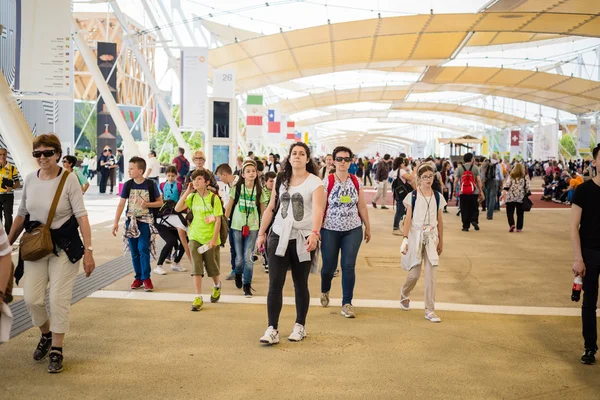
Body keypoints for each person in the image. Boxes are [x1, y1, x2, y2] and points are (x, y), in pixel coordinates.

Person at [8, 133, 95, 373]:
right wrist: (7, 245)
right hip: (37, 247)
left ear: (57, 153)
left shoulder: (68, 180)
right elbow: (22, 214)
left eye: (48, 153)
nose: (42, 158)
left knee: (58, 299)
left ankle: (57, 349)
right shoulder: (30, 179)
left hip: (65, 249)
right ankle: (45, 334)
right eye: (38, 154)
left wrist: (89, 250)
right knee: (32, 300)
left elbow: (82, 215)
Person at [256, 142, 324, 345]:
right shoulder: (281, 179)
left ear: (307, 158)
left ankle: (299, 325)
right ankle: (272, 329)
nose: (297, 156)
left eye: (302, 154)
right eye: (294, 153)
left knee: (300, 283)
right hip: (278, 234)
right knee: (275, 284)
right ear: (289, 157)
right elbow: (271, 207)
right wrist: (261, 233)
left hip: (303, 237)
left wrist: (315, 233)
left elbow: (319, 210)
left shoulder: (315, 182)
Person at [320, 146, 371, 318]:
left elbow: (362, 205)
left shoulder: (356, 181)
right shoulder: (327, 182)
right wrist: (315, 230)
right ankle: (325, 289)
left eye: (346, 159)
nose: (343, 162)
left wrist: (367, 226)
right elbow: (320, 207)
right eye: (339, 159)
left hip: (353, 229)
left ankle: (347, 303)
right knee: (329, 266)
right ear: (333, 161)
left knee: (348, 266)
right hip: (329, 229)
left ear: (351, 161)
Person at [400, 163, 446, 323]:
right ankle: (404, 293)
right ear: (419, 179)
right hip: (415, 236)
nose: (428, 179)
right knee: (414, 274)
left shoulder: (438, 197)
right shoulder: (412, 196)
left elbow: (440, 220)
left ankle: (430, 310)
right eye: (425, 177)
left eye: (431, 176)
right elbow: (407, 220)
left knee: (431, 275)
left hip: (431, 238)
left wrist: (441, 240)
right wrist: (405, 239)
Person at [112, 156, 164, 292]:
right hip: (131, 221)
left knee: (143, 249)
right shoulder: (128, 185)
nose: (128, 171)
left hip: (145, 221)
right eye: (128, 168)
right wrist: (116, 222)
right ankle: (138, 278)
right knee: (134, 251)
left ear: (140, 171)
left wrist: (148, 204)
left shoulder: (150, 184)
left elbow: (160, 202)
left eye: (131, 168)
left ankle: (146, 278)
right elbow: (121, 204)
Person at [175, 169, 223, 311]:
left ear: (207, 182)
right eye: (194, 179)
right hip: (195, 236)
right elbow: (178, 208)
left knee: (212, 269)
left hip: (210, 239)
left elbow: (218, 221)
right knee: (196, 267)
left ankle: (216, 285)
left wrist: (214, 239)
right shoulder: (192, 197)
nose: (195, 181)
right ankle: (198, 297)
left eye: (199, 179)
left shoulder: (214, 199)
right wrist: (187, 192)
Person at [571, 144, 600, 365]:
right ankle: (589, 347)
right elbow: (574, 227)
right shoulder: (583, 190)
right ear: (595, 162)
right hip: (590, 253)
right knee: (589, 301)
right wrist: (578, 258)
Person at [225, 160, 269, 297]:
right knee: (239, 259)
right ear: (243, 174)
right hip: (237, 226)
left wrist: (263, 229)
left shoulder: (260, 190)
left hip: (253, 227)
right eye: (248, 171)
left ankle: (247, 285)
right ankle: (238, 273)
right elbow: (229, 206)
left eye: (253, 171)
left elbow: (263, 211)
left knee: (248, 257)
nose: (251, 173)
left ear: (256, 174)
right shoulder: (237, 188)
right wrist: (223, 222)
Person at [153, 166, 189, 275]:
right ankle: (159, 265)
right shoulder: (162, 185)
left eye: (172, 176)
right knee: (172, 241)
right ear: (165, 175)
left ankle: (176, 262)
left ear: (176, 175)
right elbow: (159, 198)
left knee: (185, 240)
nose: (170, 177)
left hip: (174, 212)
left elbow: (182, 199)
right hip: (163, 215)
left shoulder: (179, 185)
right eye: (168, 175)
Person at [215, 163, 241, 281]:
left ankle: (243, 271)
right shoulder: (226, 186)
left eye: (220, 177)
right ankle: (235, 269)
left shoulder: (241, 182)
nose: (220, 179)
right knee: (233, 247)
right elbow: (226, 202)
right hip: (231, 219)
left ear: (225, 174)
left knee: (243, 248)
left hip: (243, 219)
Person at [454, 153, 484, 232]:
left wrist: (454, 190)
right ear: (471, 159)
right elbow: (478, 180)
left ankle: (465, 226)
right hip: (474, 192)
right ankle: (474, 220)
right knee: (474, 207)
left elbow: (456, 180)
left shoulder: (460, 168)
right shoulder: (476, 168)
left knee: (464, 209)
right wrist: (480, 190)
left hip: (463, 192)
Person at [500, 163, 530, 233]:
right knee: (520, 213)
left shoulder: (511, 176)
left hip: (511, 196)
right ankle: (519, 228)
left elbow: (507, 186)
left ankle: (511, 224)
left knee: (509, 212)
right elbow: (527, 188)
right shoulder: (525, 177)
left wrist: (503, 194)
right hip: (520, 197)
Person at [391, 157, 415, 234]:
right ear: (400, 164)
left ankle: (397, 227)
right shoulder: (401, 171)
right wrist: (414, 171)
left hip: (398, 192)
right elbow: (410, 178)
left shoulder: (396, 171)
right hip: (402, 193)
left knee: (400, 210)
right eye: (403, 162)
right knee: (400, 211)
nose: (404, 164)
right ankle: (395, 228)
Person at [0, 148, 21, 234]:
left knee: (8, 216)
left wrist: (11, 187)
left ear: (7, 155)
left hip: (8, 195)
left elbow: (18, 182)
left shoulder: (12, 168)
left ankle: (9, 236)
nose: (2, 156)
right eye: (0, 154)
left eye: (4, 154)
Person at [482, 153, 503, 220]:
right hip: (495, 182)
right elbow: (501, 176)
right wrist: (501, 185)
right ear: (497, 158)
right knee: (492, 198)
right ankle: (489, 214)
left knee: (487, 197)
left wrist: (482, 182)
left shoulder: (486, 163)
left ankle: (488, 209)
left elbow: (482, 172)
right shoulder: (498, 165)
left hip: (486, 181)